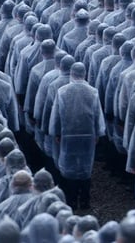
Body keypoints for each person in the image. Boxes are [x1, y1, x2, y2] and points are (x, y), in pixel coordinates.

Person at [48, 62, 105, 210]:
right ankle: (85, 201)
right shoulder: (92, 92)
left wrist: (56, 132)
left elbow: (57, 114)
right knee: (86, 166)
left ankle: (71, 200)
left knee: (69, 165)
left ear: (71, 74)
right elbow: (98, 113)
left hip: (68, 134)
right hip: (88, 134)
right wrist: (98, 132)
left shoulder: (62, 91)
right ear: (84, 73)